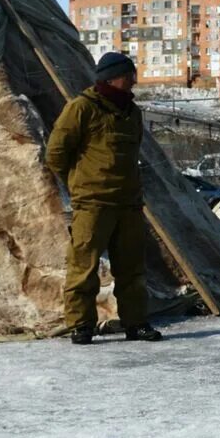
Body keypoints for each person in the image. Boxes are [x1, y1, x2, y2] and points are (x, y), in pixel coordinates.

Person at [45, 51, 162, 344]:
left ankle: (136, 323)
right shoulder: (81, 108)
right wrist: (78, 183)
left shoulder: (132, 112)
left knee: (132, 270)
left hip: (128, 203)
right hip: (93, 202)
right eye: (129, 75)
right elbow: (56, 153)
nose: (133, 81)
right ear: (112, 77)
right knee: (83, 267)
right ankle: (81, 325)